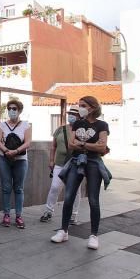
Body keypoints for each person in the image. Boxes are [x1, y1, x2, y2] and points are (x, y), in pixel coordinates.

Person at [51, 96, 110, 250]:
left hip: (93, 163)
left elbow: (102, 147)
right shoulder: (77, 123)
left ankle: (94, 235)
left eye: (83, 105)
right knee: (69, 195)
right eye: (79, 105)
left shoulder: (102, 124)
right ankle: (63, 231)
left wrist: (82, 143)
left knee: (93, 199)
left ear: (92, 107)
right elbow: (71, 144)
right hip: (76, 161)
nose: (80, 108)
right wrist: (92, 145)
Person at [40, 107, 83, 224]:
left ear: (79, 116)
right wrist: (51, 160)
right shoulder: (60, 129)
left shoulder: (81, 131)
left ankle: (73, 215)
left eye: (74, 114)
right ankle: (48, 211)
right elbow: (53, 146)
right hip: (59, 164)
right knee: (54, 187)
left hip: (75, 164)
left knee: (75, 190)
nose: (71, 116)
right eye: (70, 114)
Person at [0, 99, 32, 229]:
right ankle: (6, 214)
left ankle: (19, 215)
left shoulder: (25, 125)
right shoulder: (2, 125)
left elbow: (28, 142)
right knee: (6, 187)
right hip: (3, 158)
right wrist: (6, 151)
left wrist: (15, 151)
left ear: (19, 110)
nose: (11, 111)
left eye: (14, 108)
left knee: (19, 188)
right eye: (9, 108)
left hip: (20, 160)